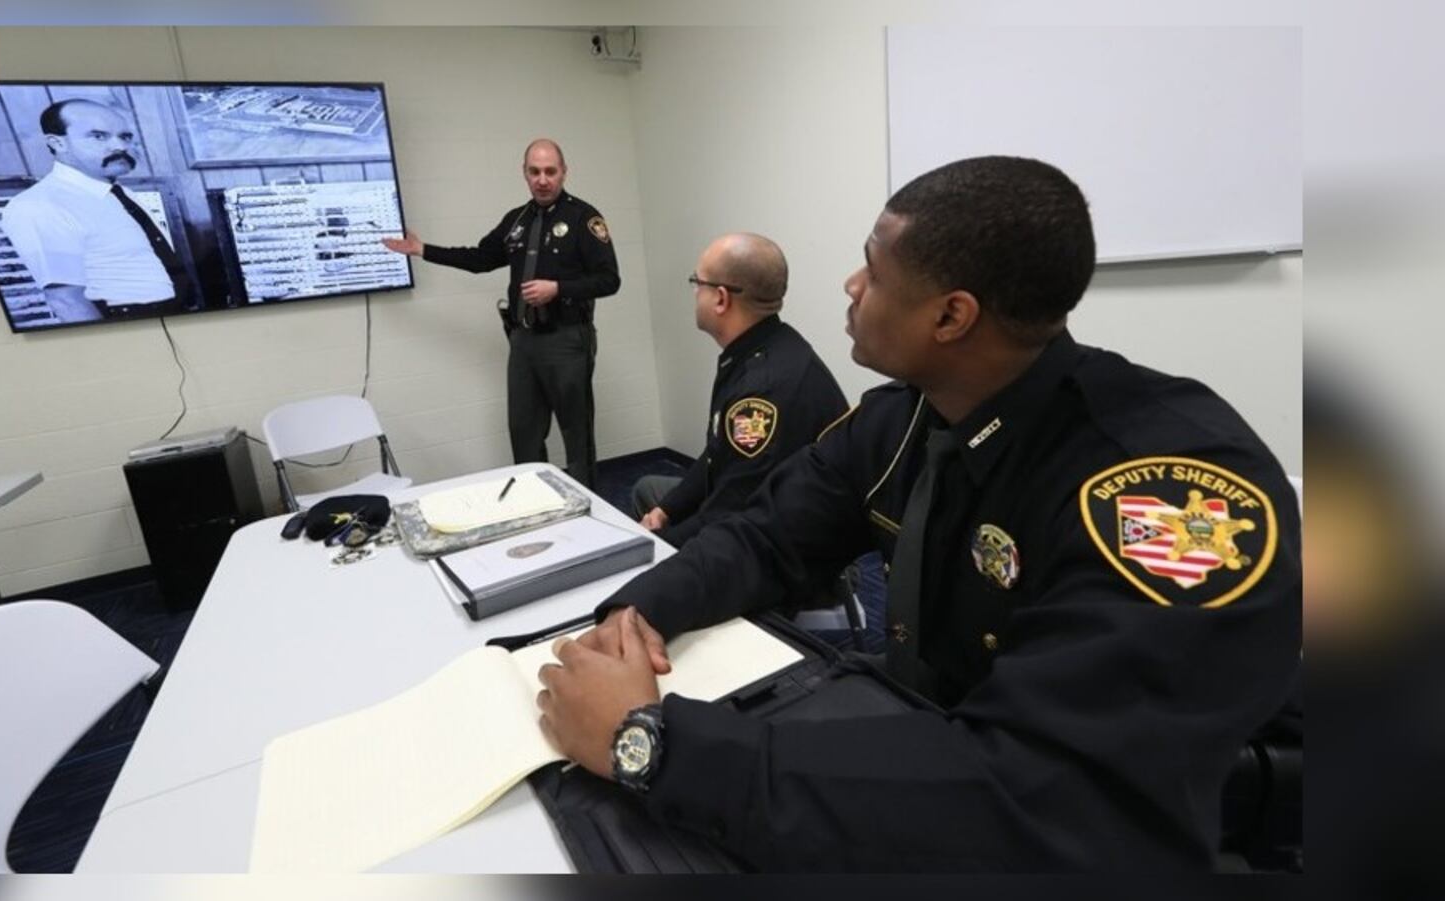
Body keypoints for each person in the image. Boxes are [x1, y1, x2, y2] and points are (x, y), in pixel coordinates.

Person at [534, 156, 1301, 870]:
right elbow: (768, 533)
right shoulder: (906, 417)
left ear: (950, 316)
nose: (850, 284)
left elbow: (1041, 797)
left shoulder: (1164, 492)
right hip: (943, 728)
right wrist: (638, 611)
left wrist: (650, 745)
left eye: (872, 267)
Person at [382, 139, 619, 488]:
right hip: (523, 342)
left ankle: (590, 509)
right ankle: (534, 501)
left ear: (563, 173)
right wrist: (422, 250)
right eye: (534, 172)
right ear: (524, 174)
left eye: (550, 172)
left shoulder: (584, 218)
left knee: (576, 434)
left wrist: (558, 289)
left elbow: (610, 280)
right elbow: (480, 259)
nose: (542, 179)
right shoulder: (517, 220)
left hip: (567, 340)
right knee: (523, 430)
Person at [632, 232, 847, 548]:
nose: (694, 293)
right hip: (760, 506)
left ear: (721, 298)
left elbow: (733, 518)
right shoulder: (768, 343)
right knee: (649, 491)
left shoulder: (760, 392)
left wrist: (656, 546)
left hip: (794, 547)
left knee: (649, 554)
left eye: (697, 282)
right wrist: (667, 510)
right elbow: (717, 456)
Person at [1, 98, 192, 325]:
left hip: (174, 319)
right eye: (98, 136)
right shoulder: (40, 205)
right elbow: (65, 300)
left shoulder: (121, 194)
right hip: (124, 326)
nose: (120, 147)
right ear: (57, 143)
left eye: (125, 137)